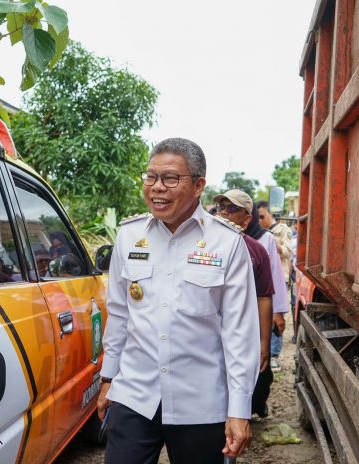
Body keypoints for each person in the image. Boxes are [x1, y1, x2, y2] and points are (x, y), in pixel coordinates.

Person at [98, 138, 259, 464]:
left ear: (199, 185)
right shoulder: (129, 236)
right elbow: (118, 313)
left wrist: (239, 410)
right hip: (134, 396)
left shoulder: (226, 244)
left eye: (171, 178)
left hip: (200, 403)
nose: (157, 188)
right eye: (150, 177)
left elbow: (240, 333)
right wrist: (107, 379)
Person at [213, 190, 275, 418]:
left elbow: (264, 297)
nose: (223, 213)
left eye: (231, 209)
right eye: (220, 207)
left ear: (247, 219)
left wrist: (264, 343)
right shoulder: (199, 247)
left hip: (241, 332)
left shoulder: (256, 250)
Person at [256, 200, 294, 364]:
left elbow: (288, 251)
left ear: (270, 214)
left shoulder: (282, 230)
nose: (259, 220)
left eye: (262, 216)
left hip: (280, 277)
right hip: (263, 278)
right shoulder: (256, 232)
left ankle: (274, 355)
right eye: (257, 217)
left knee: (276, 314)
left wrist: (271, 243)